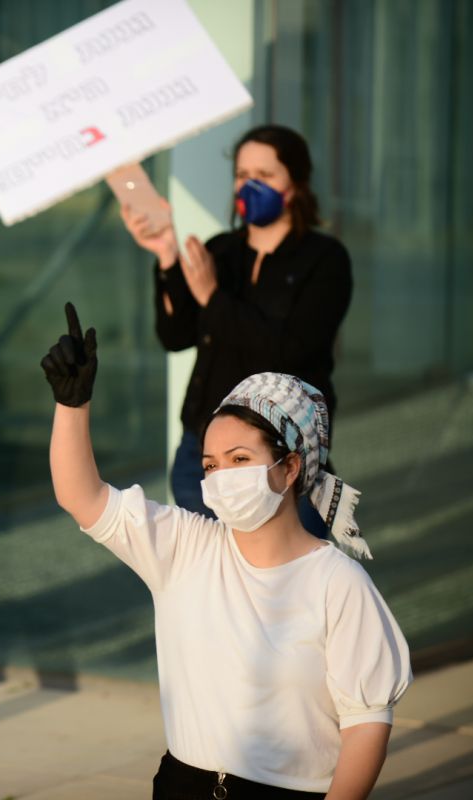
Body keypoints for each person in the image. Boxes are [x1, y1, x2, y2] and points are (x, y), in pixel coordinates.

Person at [43, 303, 411, 799]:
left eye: (241, 459)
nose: (221, 478)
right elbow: (80, 496)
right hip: (181, 785)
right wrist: (72, 404)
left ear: (290, 467)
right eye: (211, 465)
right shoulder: (183, 546)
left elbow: (366, 727)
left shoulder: (338, 584)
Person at [121, 125, 352, 530]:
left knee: (286, 586)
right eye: (243, 176)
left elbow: (290, 350)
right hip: (204, 457)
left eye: (264, 176)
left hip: (284, 460)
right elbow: (176, 335)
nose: (249, 186)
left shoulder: (325, 259)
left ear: (295, 185)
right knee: (213, 582)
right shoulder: (221, 251)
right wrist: (167, 256)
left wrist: (214, 298)